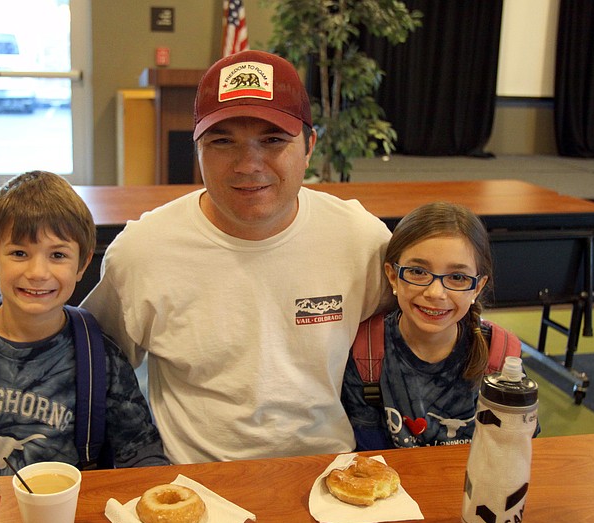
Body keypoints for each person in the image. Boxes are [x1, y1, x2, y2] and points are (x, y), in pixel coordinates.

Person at [80, 50, 391, 464]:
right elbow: (96, 366)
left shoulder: (361, 240)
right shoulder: (142, 253)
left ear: (310, 145)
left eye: (274, 140)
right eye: (222, 141)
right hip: (194, 483)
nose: (249, 165)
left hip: (330, 470)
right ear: (197, 149)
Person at [0, 171, 168, 480]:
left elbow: (139, 447)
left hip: (64, 516)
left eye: (58, 255)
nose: (38, 272)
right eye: (19, 253)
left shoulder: (100, 357)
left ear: (82, 264)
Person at [342, 201, 524, 449]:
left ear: (477, 287)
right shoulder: (366, 351)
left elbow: (513, 449)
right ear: (393, 276)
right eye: (418, 272)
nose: (436, 292)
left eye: (457, 277)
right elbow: (370, 455)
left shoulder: (501, 355)